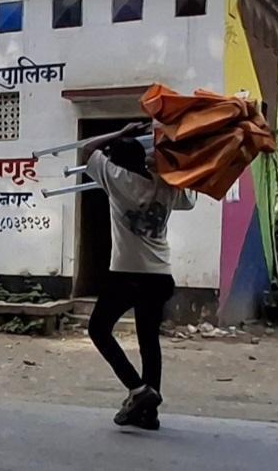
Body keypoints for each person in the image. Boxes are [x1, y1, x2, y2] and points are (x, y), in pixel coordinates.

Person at [82, 121, 196, 430]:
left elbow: (86, 150)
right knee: (149, 340)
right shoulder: (166, 185)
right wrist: (167, 166)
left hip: (126, 274)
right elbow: (191, 196)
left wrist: (119, 132)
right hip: (160, 275)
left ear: (116, 161)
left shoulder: (117, 179)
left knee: (98, 329)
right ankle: (149, 413)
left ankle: (137, 389)